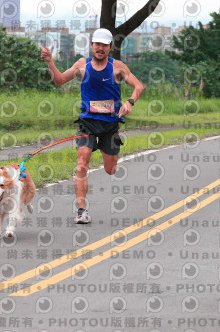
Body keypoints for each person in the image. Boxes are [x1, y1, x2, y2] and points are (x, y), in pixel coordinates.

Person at [41, 28, 144, 224]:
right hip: (87, 122)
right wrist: (50, 62)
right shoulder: (82, 64)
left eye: (104, 45)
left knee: (110, 170)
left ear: (110, 47)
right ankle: (81, 211)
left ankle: (108, 153)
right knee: (82, 165)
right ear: (91, 45)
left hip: (110, 124)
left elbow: (138, 86)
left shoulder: (117, 67)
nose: (100, 48)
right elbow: (60, 80)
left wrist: (129, 102)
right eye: (97, 44)